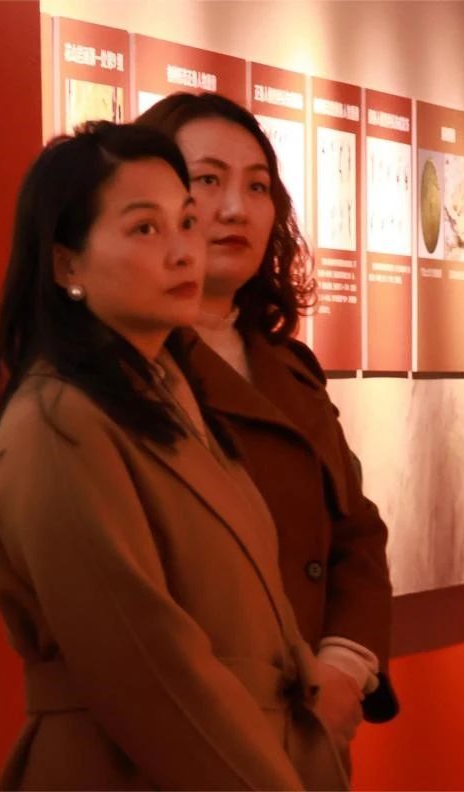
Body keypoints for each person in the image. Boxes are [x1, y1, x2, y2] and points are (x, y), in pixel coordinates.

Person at [0, 121, 345, 789]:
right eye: (145, 228)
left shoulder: (168, 394)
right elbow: (149, 667)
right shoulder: (57, 424)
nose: (183, 252)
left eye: (186, 222)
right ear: (67, 265)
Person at [136, 93, 397, 761]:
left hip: (313, 727)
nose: (235, 209)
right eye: (207, 180)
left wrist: (343, 666)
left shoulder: (289, 367)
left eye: (257, 187)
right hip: (198, 733)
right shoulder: (130, 372)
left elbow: (355, 532)